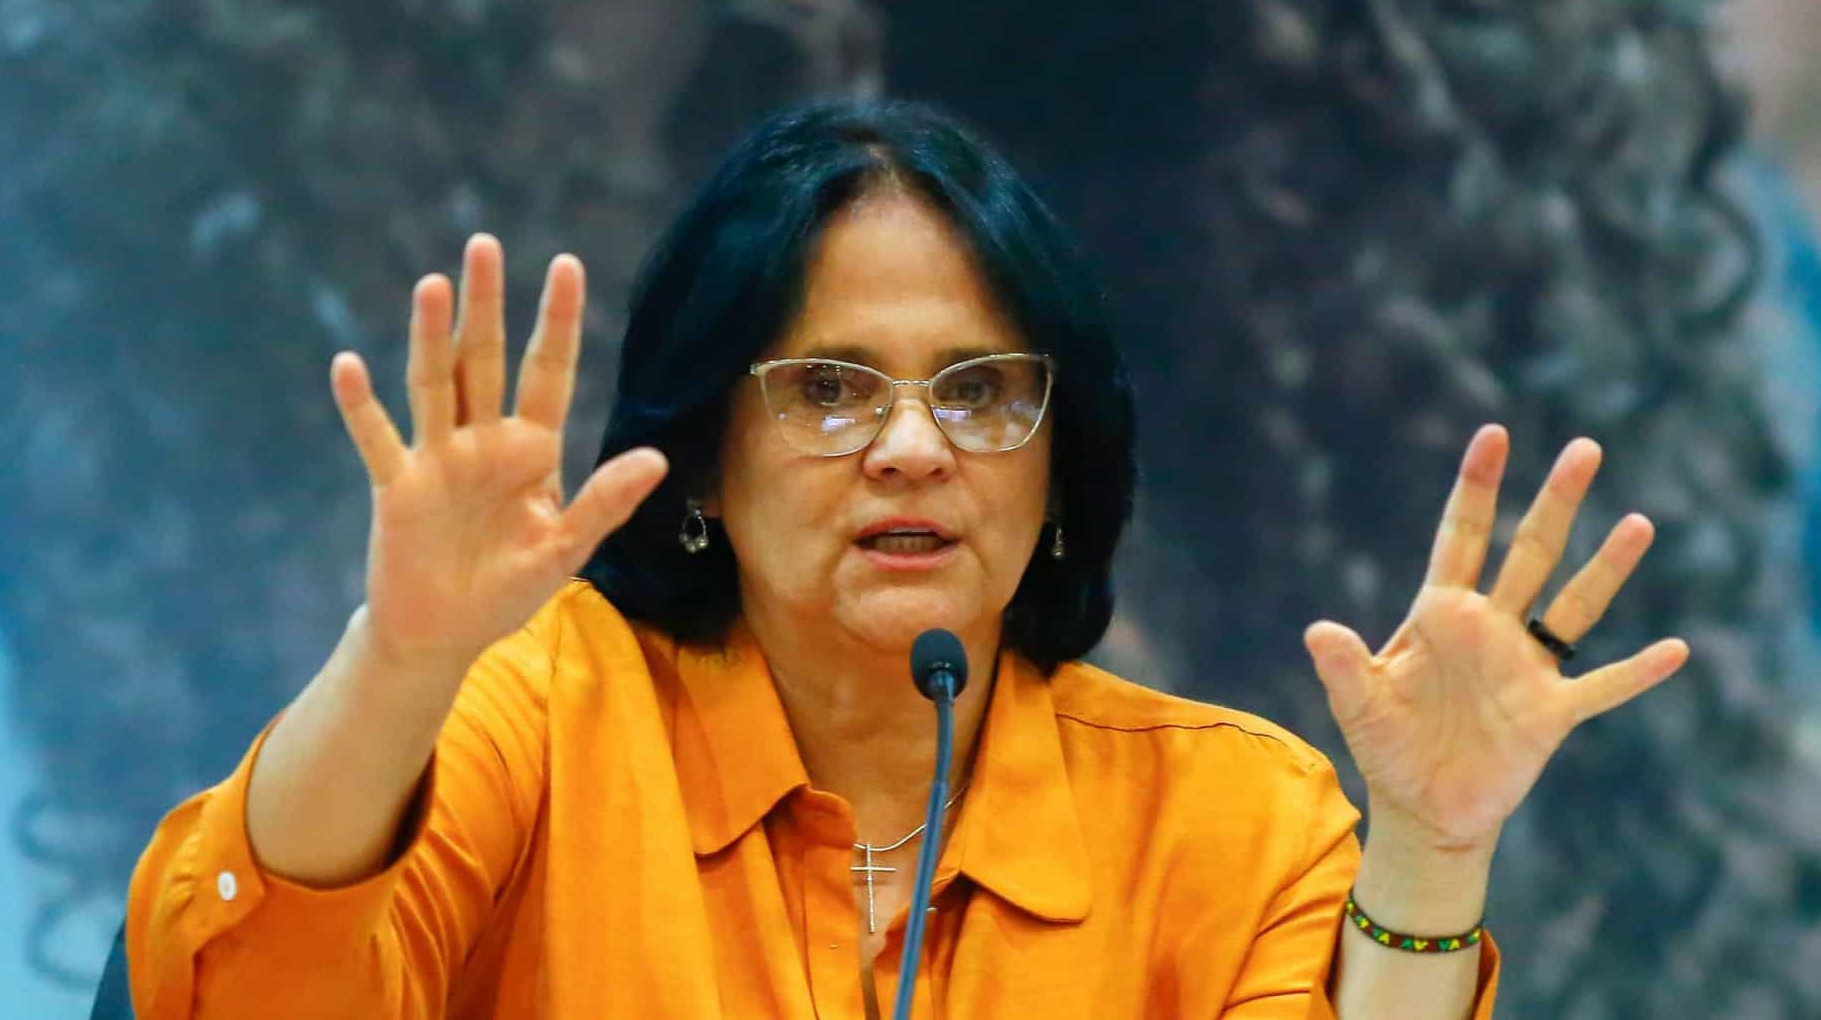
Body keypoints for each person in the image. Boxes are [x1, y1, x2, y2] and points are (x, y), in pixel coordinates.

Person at [125, 99, 1686, 1017]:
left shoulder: (1233, 822)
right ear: (703, 460)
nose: (914, 449)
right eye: (829, 389)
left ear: (1058, 469)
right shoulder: (544, 717)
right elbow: (244, 991)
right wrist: (403, 660)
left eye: (983, 391)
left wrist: (1429, 849)